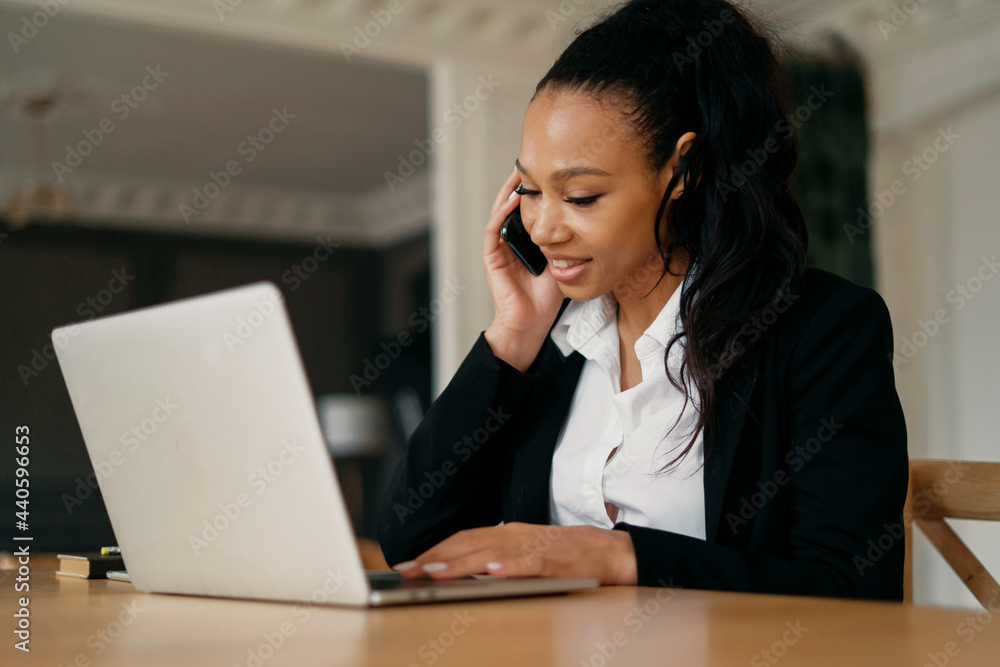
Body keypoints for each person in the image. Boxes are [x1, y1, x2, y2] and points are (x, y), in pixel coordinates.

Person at [377, 0, 908, 600]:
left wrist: (616, 555)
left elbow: (854, 585)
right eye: (528, 188)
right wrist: (514, 336)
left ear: (683, 171)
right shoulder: (554, 345)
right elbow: (410, 538)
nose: (544, 227)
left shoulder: (824, 330)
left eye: (579, 196)